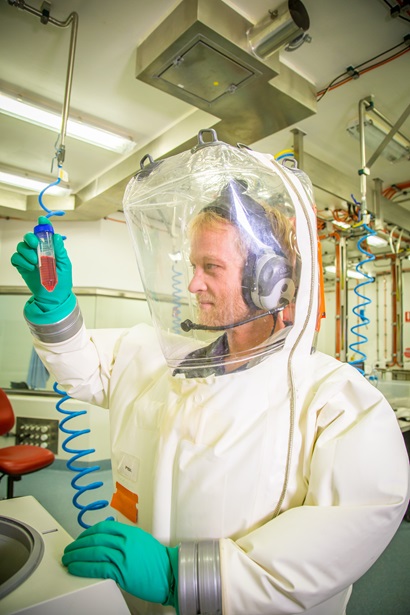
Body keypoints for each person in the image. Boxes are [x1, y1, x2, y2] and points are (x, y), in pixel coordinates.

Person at [11, 134, 409, 615]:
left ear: (268, 281)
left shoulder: (336, 403)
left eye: (211, 267)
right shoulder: (163, 359)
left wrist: (184, 577)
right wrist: (56, 307)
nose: (193, 283)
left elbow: (341, 535)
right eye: (192, 265)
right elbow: (88, 369)